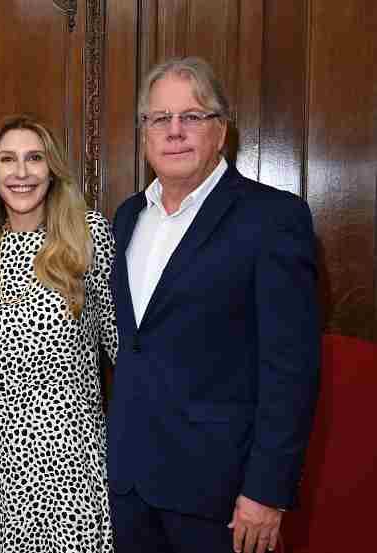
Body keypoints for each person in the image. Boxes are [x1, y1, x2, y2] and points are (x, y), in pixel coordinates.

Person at [107, 57, 320, 553]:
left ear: (220, 131)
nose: (175, 131)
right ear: (144, 135)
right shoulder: (127, 217)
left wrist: (266, 491)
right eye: (160, 119)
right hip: (130, 488)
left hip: (222, 497)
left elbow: (291, 370)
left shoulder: (272, 219)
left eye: (193, 117)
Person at [0, 115, 118, 552]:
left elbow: (123, 344)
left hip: (66, 467)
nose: (21, 172)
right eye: (8, 159)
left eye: (33, 158)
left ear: (52, 169)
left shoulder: (88, 234)